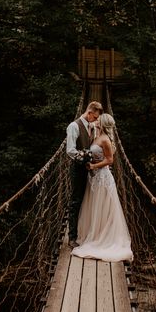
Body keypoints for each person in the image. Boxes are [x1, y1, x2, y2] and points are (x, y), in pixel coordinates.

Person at [72, 113, 133, 263]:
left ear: (103, 123)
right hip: (93, 178)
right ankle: (95, 234)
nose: (96, 119)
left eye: (99, 119)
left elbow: (110, 160)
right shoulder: (96, 135)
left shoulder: (105, 139)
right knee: (95, 207)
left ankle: (102, 238)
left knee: (103, 207)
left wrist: (93, 165)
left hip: (102, 178)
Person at [66, 101, 103, 246]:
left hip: (87, 168)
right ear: (89, 113)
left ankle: (84, 231)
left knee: (85, 200)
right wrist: (87, 156)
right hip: (77, 170)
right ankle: (72, 238)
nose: (95, 120)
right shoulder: (74, 126)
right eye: (94, 117)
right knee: (75, 201)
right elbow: (70, 150)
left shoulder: (90, 126)